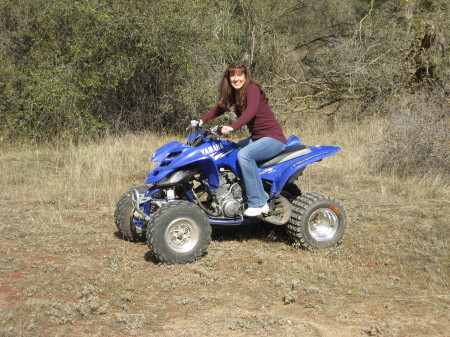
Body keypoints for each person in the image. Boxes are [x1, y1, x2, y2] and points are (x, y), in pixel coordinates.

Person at [195, 61, 287, 217]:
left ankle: (258, 203)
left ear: (245, 76)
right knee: (228, 150)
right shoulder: (236, 93)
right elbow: (220, 108)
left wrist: (232, 127)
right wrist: (201, 120)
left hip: (273, 138)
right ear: (228, 77)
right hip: (258, 138)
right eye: (232, 75)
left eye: (239, 74)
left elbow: (250, 111)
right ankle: (237, 193)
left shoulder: (252, 89)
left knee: (245, 155)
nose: (236, 78)